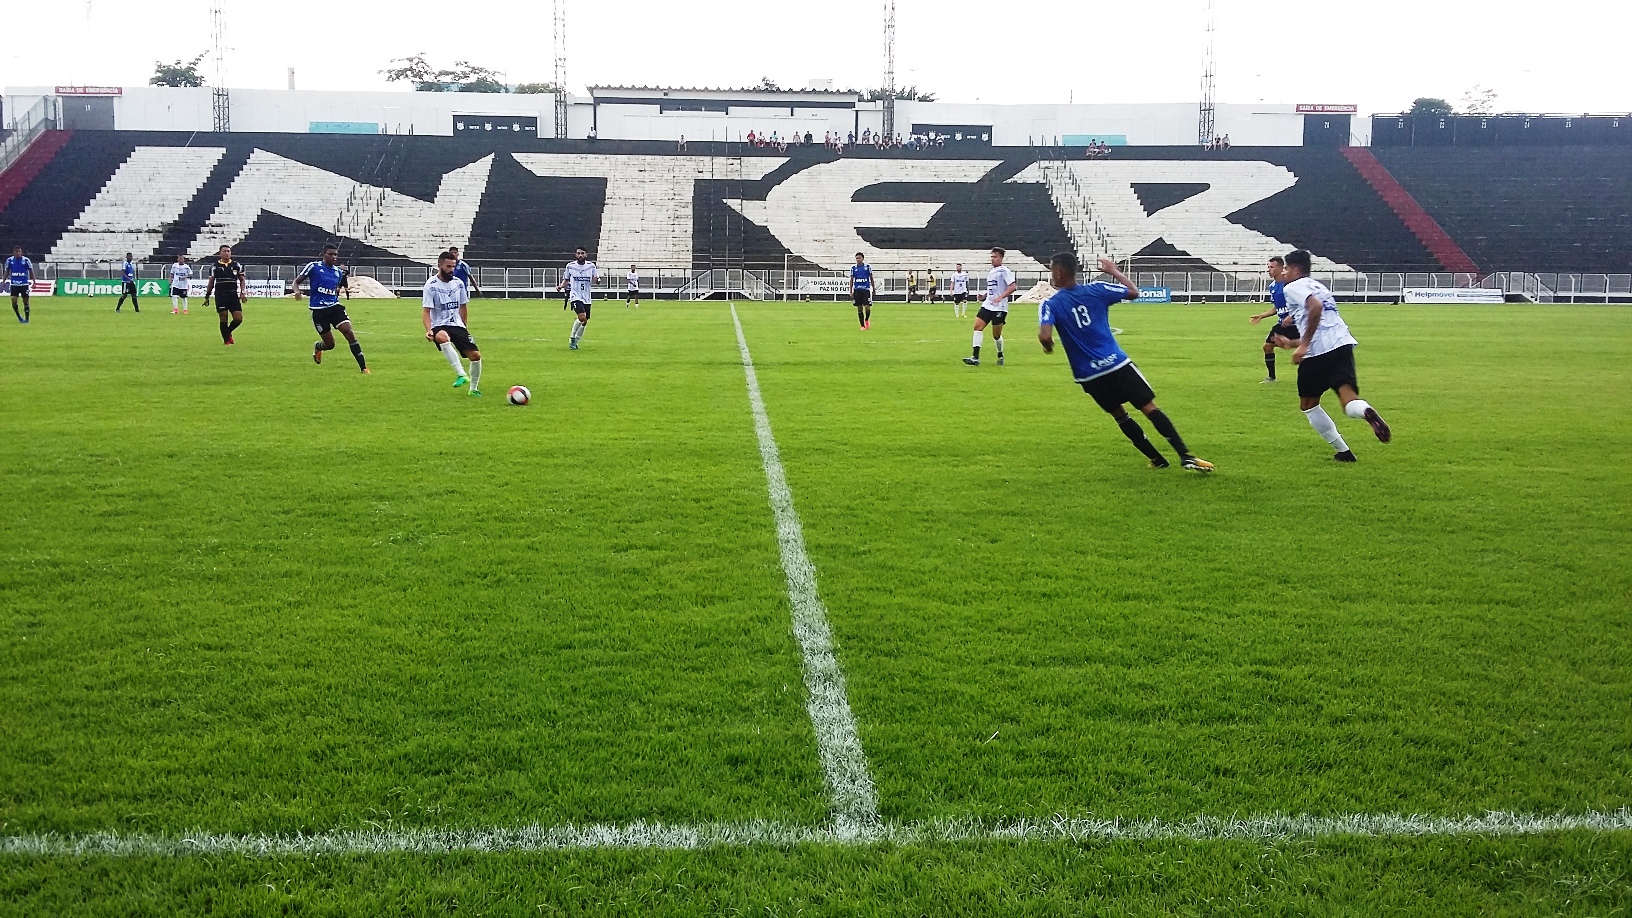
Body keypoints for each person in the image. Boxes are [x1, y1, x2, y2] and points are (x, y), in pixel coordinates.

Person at [1039, 252, 1214, 472]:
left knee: (1120, 415)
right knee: (1149, 408)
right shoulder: (1098, 289)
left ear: (1058, 272)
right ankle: (1185, 456)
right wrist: (1113, 271)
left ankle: (1157, 459)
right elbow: (1133, 292)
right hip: (1117, 364)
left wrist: (1048, 347)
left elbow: (1045, 336)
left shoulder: (1050, 304)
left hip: (1089, 375)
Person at [1274, 249, 1392, 461]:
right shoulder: (1319, 286)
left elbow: (1315, 308)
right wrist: (1293, 343)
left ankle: (1343, 452)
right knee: (1349, 402)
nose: (1283, 273)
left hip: (1318, 352)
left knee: (1309, 406)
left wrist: (1304, 346)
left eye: (1285, 268)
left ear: (1295, 269)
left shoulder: (1293, 287)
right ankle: (1365, 411)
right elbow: (1322, 322)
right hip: (1342, 343)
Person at [295, 243, 370, 374]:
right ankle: (319, 347)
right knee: (330, 344)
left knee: (348, 332)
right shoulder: (313, 267)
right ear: (324, 254)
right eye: (331, 254)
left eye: (335, 254)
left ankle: (364, 368)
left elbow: (336, 288)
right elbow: (296, 281)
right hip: (318, 310)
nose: (334, 257)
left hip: (334, 307)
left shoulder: (338, 272)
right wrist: (297, 292)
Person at [424, 251, 483, 395]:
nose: (451, 270)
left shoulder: (459, 283)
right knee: (442, 337)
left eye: (453, 267)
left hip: (456, 324)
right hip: (439, 324)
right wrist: (429, 329)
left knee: (475, 356)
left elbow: (463, 306)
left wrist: (464, 326)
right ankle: (461, 374)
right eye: (448, 266)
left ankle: (473, 389)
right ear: (440, 266)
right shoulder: (431, 285)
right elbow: (426, 310)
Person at [964, 247, 1016, 366]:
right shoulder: (992, 271)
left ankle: (1000, 354)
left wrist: (1001, 297)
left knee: (996, 335)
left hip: (999, 307)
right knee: (977, 326)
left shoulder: (1004, 271)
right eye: (991, 256)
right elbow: (994, 288)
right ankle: (975, 357)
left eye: (995, 257)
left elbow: (1012, 287)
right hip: (988, 304)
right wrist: (985, 295)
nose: (992, 259)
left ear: (1001, 258)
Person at [1248, 256, 1297, 382]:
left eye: (1272, 267)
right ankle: (1271, 377)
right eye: (1268, 267)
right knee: (1267, 347)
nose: (1269, 270)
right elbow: (1277, 307)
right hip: (1282, 324)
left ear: (1281, 268)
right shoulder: (1273, 286)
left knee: (1306, 349)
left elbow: (1302, 305)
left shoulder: (1290, 285)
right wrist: (1261, 316)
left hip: (1298, 323)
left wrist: (1292, 317)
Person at [556, 246, 599, 350]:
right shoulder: (570, 266)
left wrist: (597, 280)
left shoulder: (591, 266)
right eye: (578, 253)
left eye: (582, 253)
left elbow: (596, 279)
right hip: (575, 296)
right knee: (581, 317)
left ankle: (576, 342)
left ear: (586, 255)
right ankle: (572, 338)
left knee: (585, 321)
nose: (580, 255)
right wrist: (561, 286)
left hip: (587, 297)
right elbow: (566, 279)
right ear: (576, 255)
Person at [203, 245, 246, 344]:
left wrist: (243, 292)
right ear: (220, 253)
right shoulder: (215, 266)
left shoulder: (236, 265)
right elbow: (211, 282)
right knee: (223, 317)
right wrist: (207, 296)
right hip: (221, 295)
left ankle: (227, 332)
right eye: (224, 251)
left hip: (233, 295)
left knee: (238, 318)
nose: (227, 253)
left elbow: (242, 280)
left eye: (228, 251)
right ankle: (226, 341)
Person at [7, 246, 33, 323]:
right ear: (13, 252)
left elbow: (31, 271)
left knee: (26, 301)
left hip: (24, 284)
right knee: (14, 301)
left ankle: (27, 319)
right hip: (14, 285)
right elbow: (7, 271)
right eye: (16, 252)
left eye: (19, 251)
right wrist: (3, 281)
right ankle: (19, 317)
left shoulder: (26, 260)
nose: (17, 253)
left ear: (21, 252)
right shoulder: (10, 260)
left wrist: (34, 281)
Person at [849, 251, 873, 329]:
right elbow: (852, 280)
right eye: (857, 258)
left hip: (866, 290)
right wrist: (851, 291)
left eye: (859, 258)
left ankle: (866, 319)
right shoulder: (853, 268)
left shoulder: (867, 267)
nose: (858, 260)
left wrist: (874, 288)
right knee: (859, 307)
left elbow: (871, 278)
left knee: (867, 307)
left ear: (863, 258)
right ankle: (862, 326)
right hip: (857, 290)